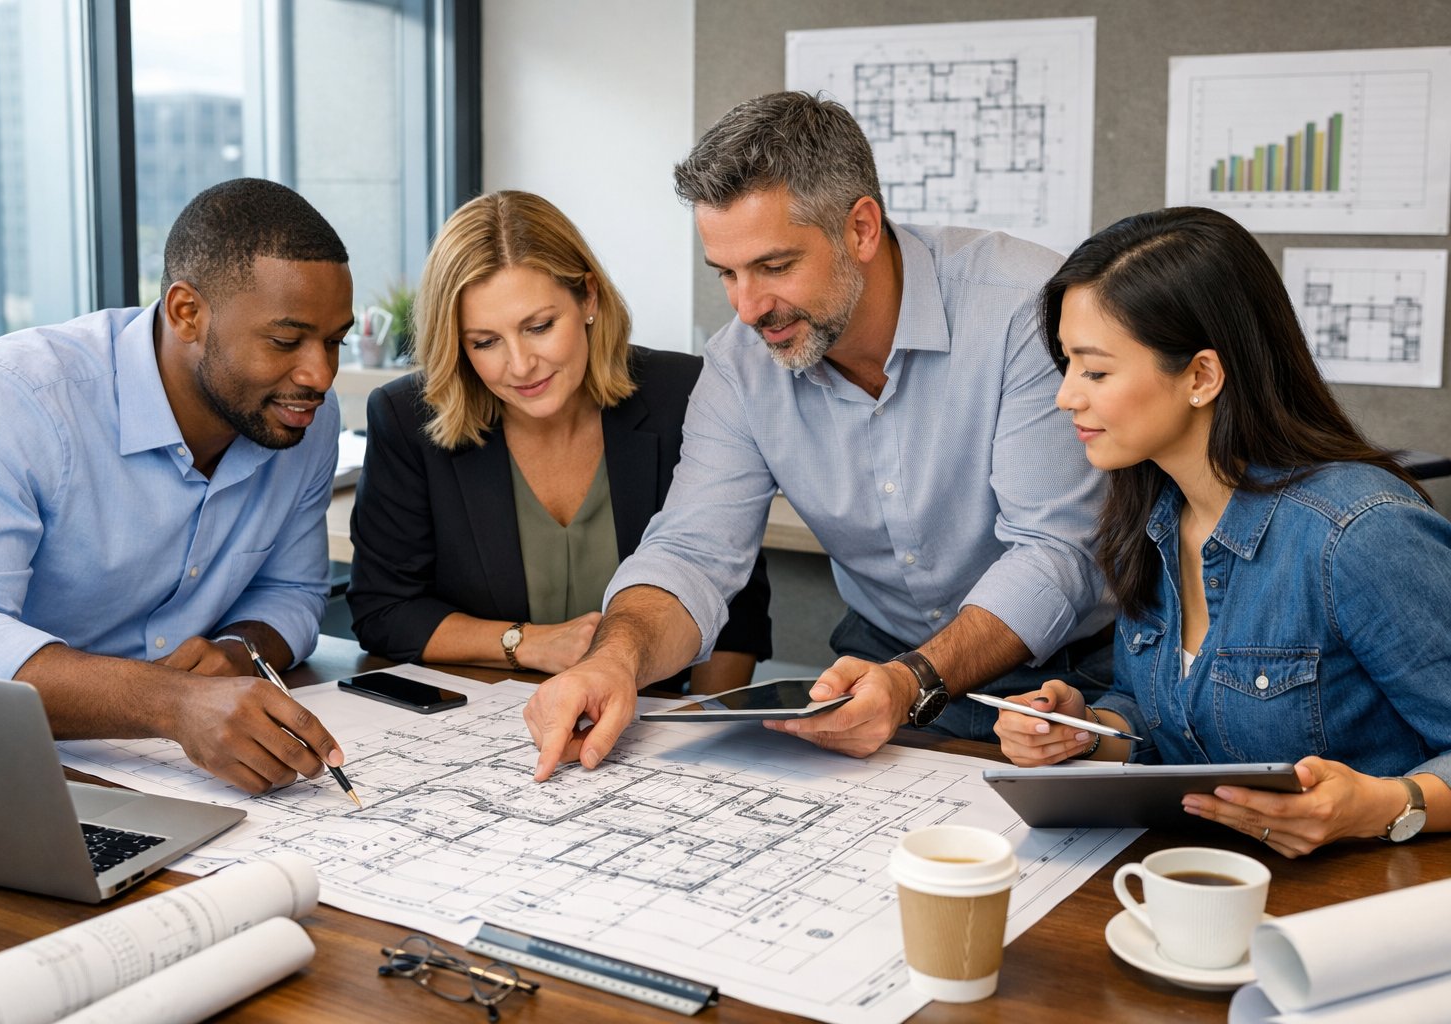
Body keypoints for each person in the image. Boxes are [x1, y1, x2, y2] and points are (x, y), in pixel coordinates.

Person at [522, 91, 1112, 780]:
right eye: (727, 274)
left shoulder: (1024, 309)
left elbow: (1055, 551)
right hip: (880, 662)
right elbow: (691, 551)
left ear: (861, 228)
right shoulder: (740, 364)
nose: (747, 309)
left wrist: (915, 679)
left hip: (1078, 678)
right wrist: (613, 661)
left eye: (774, 267)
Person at [994, 206, 1451, 857]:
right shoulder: (1151, 511)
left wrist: (1383, 806)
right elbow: (1172, 722)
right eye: (1067, 365)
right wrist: (1087, 729)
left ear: (1202, 376)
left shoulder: (1359, 534)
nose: (1067, 396)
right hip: (1211, 879)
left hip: (1364, 901)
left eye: (1094, 371)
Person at [0, 177, 355, 795]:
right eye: (286, 341)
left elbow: (293, 591)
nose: (319, 374)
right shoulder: (9, 397)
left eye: (335, 341)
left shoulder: (302, 414)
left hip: (177, 777)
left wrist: (237, 652)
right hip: (0, 771)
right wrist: (170, 703)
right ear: (187, 313)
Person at [346, 190, 771, 689]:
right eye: (485, 342)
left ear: (588, 297)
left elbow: (734, 604)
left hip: (657, 729)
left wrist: (703, 723)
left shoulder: (687, 393)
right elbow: (384, 610)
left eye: (540, 327)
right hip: (485, 728)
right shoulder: (406, 418)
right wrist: (526, 642)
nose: (522, 365)